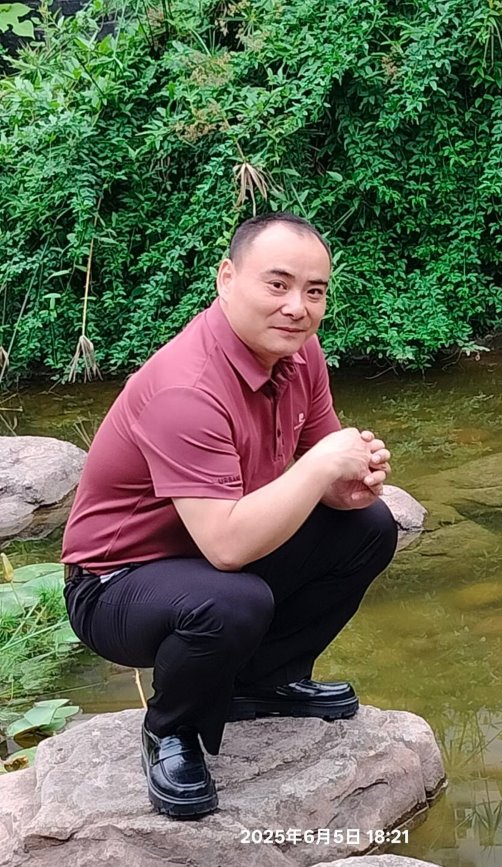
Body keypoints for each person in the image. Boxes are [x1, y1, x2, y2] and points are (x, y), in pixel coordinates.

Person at [61, 212, 397, 820]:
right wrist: (323, 467)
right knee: (233, 599)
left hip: (207, 553)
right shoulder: (186, 387)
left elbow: (321, 469)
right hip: (116, 585)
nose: (297, 307)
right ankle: (171, 729)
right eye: (278, 284)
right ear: (226, 278)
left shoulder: (301, 354)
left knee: (369, 528)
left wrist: (348, 488)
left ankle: (263, 682)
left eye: (314, 291)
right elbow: (227, 548)